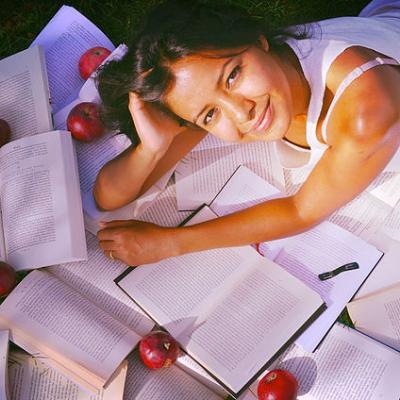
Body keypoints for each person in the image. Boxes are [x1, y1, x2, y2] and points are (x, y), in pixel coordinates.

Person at [94, 0, 400, 265]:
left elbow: (301, 211)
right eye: (210, 115)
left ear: (258, 40)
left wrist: (171, 243)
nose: (241, 113)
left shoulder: (367, 110)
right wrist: (151, 150)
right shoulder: (238, 72)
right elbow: (108, 196)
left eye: (232, 76)